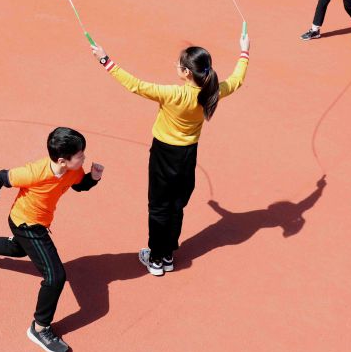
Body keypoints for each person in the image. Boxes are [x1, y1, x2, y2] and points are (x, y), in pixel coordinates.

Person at [90, 31, 249, 276]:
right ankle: (167, 254)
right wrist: (244, 51)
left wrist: (105, 60)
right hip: (188, 155)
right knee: (176, 205)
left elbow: (135, 85)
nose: (175, 66)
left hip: (164, 154)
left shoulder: (174, 94)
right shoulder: (213, 91)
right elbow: (237, 79)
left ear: (186, 72)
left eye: (178, 64)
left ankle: (154, 259)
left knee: (158, 206)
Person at [0, 127, 103, 352]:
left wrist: (92, 178)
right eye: (80, 155)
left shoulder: (74, 169)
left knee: (16, 248)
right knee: (56, 277)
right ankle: (39, 327)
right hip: (26, 223)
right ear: (62, 160)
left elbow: (78, 184)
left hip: (39, 222)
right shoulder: (34, 172)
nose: (84, 158)